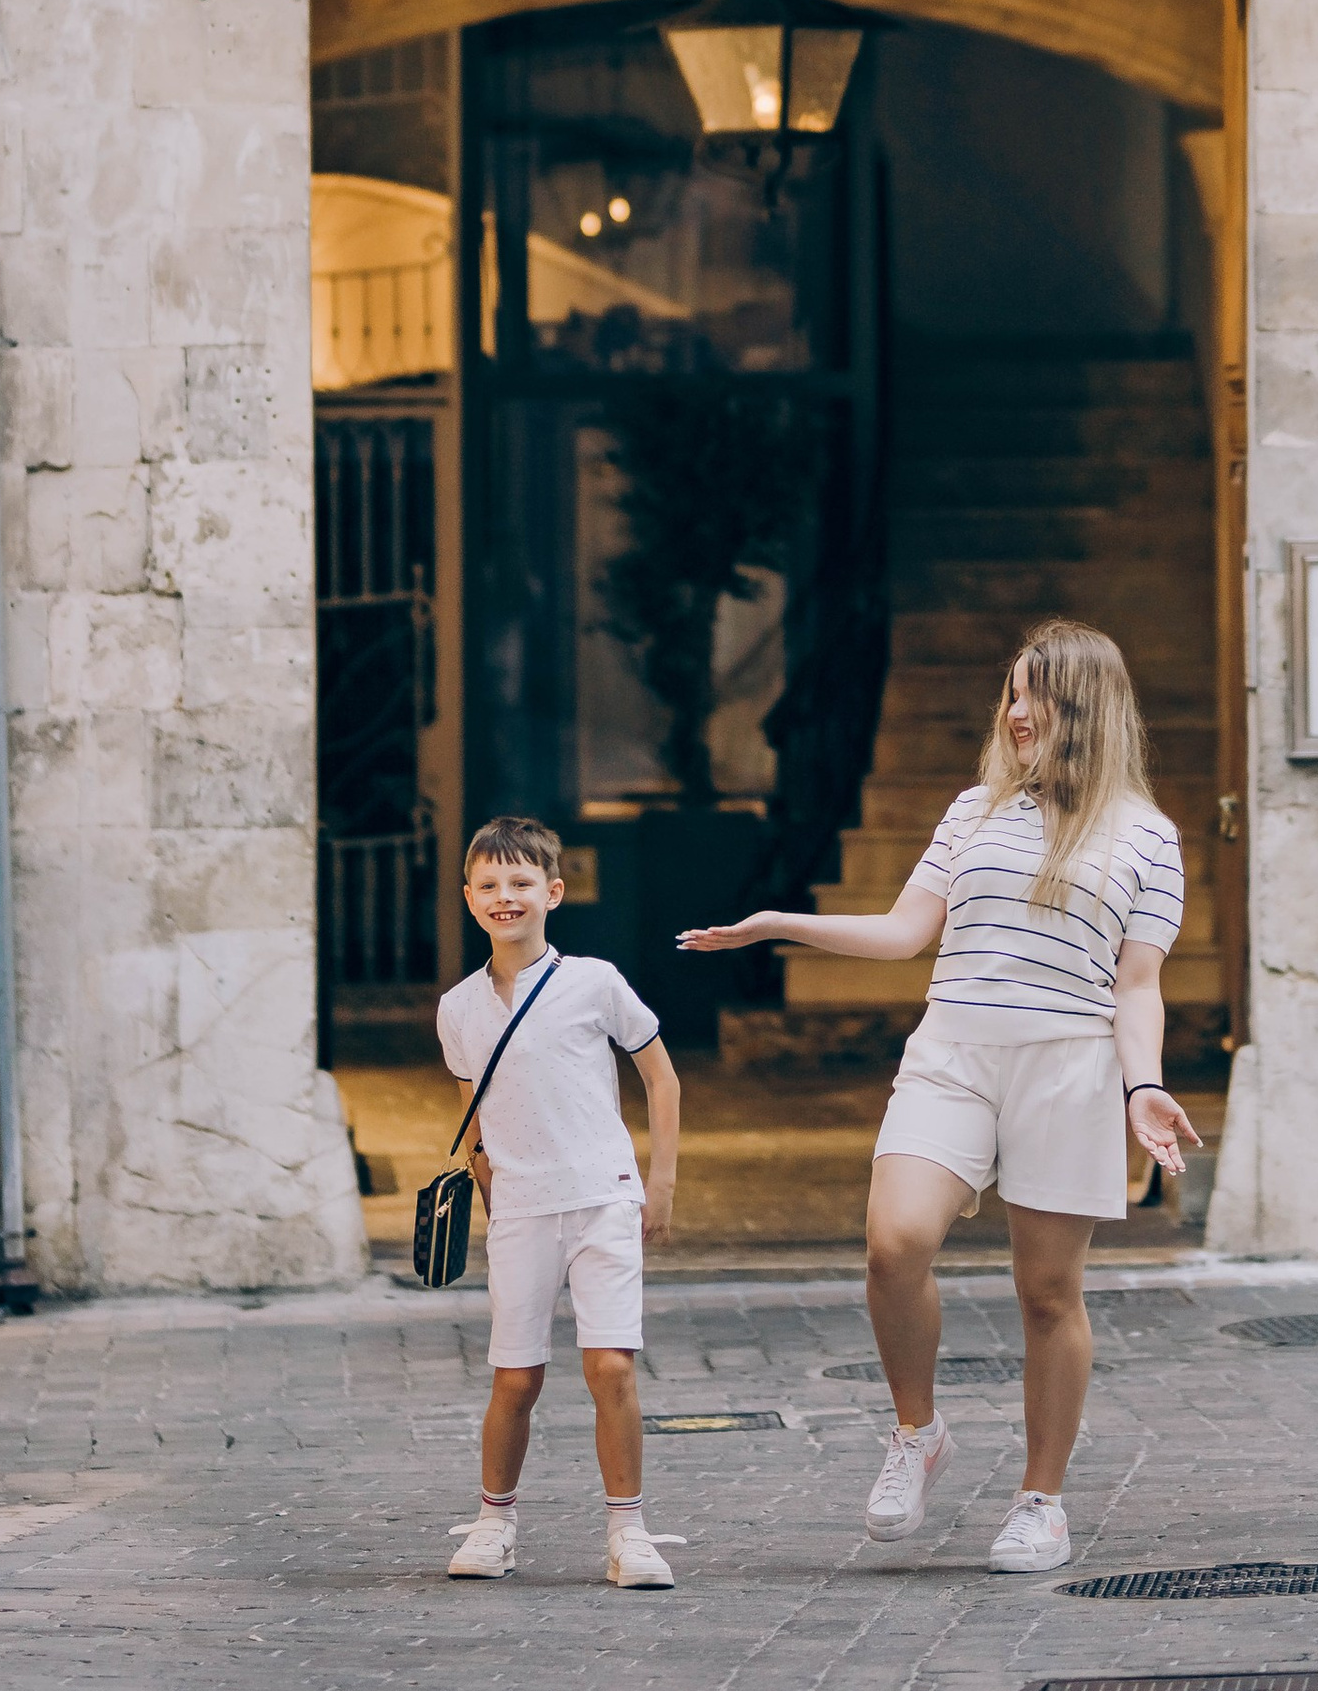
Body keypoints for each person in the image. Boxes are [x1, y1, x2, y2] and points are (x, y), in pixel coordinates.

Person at [680, 619, 1197, 1575]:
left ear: (1082, 704)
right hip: (953, 1050)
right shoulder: (973, 811)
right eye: (1010, 691)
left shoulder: (1149, 839)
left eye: (1031, 692)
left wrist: (1145, 1087)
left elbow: (1136, 986)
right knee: (895, 1243)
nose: (1013, 711)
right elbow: (904, 932)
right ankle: (916, 1432)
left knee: (1048, 1294)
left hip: (1068, 1065)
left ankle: (1040, 1502)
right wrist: (777, 926)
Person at [437, 814, 682, 1592]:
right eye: (487, 885)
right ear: (467, 896)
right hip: (519, 1210)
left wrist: (662, 1180)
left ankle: (629, 1533)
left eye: (519, 883)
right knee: (516, 1377)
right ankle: (493, 1523)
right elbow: (474, 1103)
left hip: (603, 1197)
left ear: (553, 891)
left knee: (611, 1366)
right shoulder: (458, 1007)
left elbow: (660, 1077)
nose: (503, 897)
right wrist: (486, 1177)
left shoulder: (595, 981)